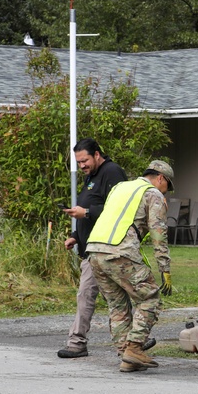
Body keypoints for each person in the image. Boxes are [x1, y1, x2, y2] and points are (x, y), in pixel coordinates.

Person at [86, 160, 175, 373]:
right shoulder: (153, 194)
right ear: (160, 178)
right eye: (167, 187)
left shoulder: (120, 188)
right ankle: (134, 347)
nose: (167, 192)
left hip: (95, 251)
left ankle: (126, 357)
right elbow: (158, 234)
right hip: (120, 252)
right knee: (150, 298)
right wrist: (165, 268)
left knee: (117, 306)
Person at [57, 138, 128, 358]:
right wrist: (75, 236)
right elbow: (89, 206)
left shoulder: (112, 172)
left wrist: (85, 213)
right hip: (90, 248)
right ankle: (79, 344)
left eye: (84, 160)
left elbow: (117, 209)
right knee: (89, 295)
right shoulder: (92, 176)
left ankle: (131, 344)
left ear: (97, 154)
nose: (82, 166)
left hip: (107, 249)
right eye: (78, 162)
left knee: (114, 297)